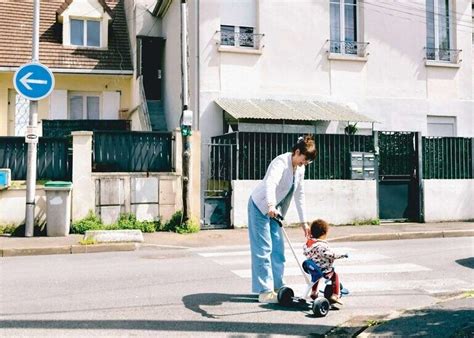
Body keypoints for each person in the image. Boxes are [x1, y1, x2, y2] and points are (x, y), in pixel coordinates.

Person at [248, 135, 317, 303]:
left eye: (307, 163)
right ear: (297, 152)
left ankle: (278, 286)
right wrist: (271, 205)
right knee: (264, 249)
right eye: (303, 160)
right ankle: (265, 291)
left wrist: (304, 222)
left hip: (275, 210)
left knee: (278, 249)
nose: (304, 164)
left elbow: (299, 194)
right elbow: (270, 183)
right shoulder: (281, 162)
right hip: (261, 205)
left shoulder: (300, 169)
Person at [303, 219, 345, 305]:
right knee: (334, 275)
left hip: (312, 267)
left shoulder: (309, 244)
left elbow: (305, 251)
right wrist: (342, 255)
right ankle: (335, 295)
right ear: (324, 233)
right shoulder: (322, 246)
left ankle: (314, 292)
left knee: (315, 276)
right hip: (323, 269)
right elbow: (330, 255)